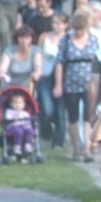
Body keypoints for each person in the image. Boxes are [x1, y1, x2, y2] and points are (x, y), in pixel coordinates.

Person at [54, 10, 100, 162]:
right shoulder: (66, 40)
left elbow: (97, 62)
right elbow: (59, 62)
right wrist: (58, 84)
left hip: (89, 84)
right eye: (76, 29)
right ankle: (76, 148)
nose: (79, 32)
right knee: (73, 117)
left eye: (82, 29)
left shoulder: (93, 40)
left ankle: (86, 148)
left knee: (87, 117)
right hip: (71, 83)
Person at [37, 12, 68, 148]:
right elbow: (38, 55)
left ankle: (58, 141)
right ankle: (46, 132)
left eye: (59, 23)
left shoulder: (68, 39)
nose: (56, 26)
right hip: (45, 76)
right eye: (54, 23)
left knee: (60, 112)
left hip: (62, 78)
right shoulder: (44, 37)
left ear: (65, 25)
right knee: (47, 109)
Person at [0, 25, 42, 90]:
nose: (24, 41)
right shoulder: (10, 50)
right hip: (9, 86)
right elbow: (3, 66)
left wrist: (37, 73)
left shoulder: (35, 51)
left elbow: (38, 65)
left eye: (27, 38)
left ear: (31, 39)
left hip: (27, 87)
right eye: (21, 37)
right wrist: (1, 73)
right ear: (17, 38)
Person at [3, 92, 36, 158]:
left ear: (24, 105)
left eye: (20, 103)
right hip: (13, 127)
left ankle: (28, 145)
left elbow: (28, 122)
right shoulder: (9, 112)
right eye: (15, 103)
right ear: (11, 104)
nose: (17, 105)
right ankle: (17, 146)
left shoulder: (25, 113)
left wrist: (27, 126)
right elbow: (7, 121)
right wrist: (14, 119)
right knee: (19, 131)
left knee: (30, 131)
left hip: (24, 127)